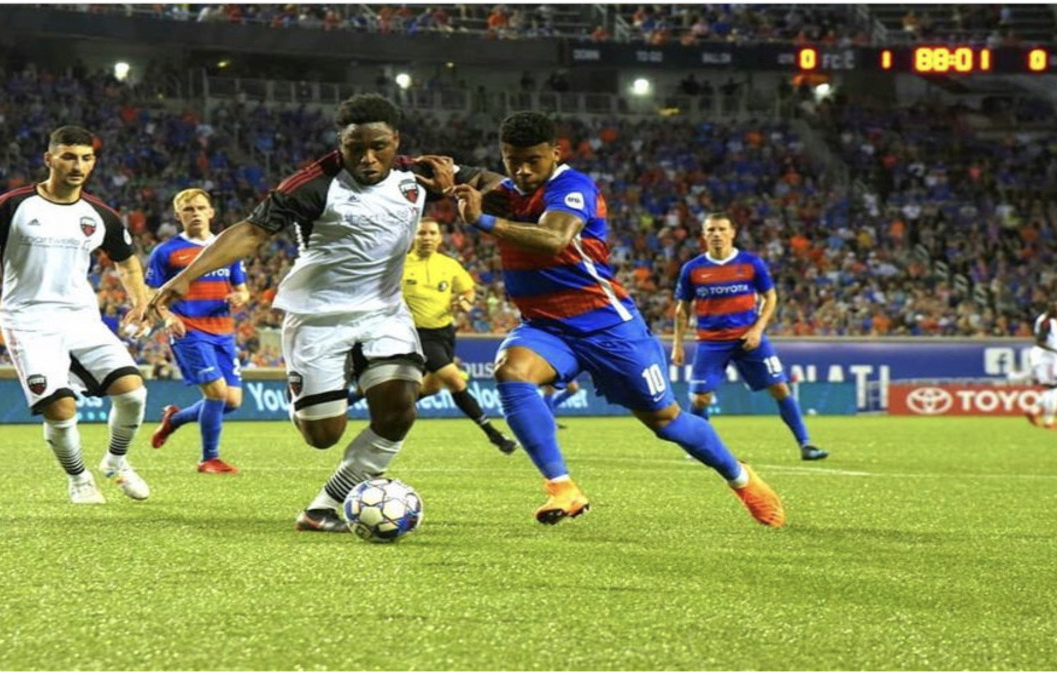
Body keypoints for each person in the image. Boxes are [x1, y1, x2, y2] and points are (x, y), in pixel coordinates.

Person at [149, 93, 497, 532]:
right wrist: (186, 276)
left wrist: (483, 192)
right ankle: (308, 395)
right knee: (323, 435)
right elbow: (252, 231)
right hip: (317, 317)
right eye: (356, 149)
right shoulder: (313, 184)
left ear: (396, 142)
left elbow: (493, 183)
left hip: (383, 313)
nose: (368, 159)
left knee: (400, 409)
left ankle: (322, 508)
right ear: (341, 143)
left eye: (379, 147)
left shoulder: (419, 173)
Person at [450, 112, 785, 527]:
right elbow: (480, 178)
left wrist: (482, 219)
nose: (522, 170)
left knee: (667, 422)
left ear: (555, 154)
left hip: (607, 326)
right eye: (512, 160)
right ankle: (562, 488)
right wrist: (439, 173)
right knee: (511, 371)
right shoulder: (513, 187)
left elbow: (554, 238)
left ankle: (741, 478)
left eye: (533, 160)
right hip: (546, 327)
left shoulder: (573, 187)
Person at [0, 125, 152, 504]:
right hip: (27, 321)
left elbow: (127, 262)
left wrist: (140, 300)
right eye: (68, 156)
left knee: (134, 394)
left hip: (81, 319)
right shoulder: (15, 204)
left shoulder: (100, 215)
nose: (78, 165)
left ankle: (116, 461)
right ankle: (79, 479)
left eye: (86, 158)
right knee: (60, 409)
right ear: (49, 159)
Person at [671, 213, 828, 462]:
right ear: (704, 235)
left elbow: (771, 297)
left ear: (732, 232)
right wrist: (677, 344)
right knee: (701, 397)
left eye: (722, 229)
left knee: (779, 386)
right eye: (711, 230)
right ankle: (699, 448)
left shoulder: (751, 263)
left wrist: (757, 329)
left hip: (749, 339)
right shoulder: (693, 269)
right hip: (711, 342)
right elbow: (682, 309)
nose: (716, 234)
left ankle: (806, 444)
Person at [146, 188, 249, 473]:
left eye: (201, 208)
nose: (195, 214)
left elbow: (243, 290)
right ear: (178, 216)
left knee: (232, 402)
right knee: (216, 393)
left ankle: (174, 420)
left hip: (223, 331)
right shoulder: (165, 252)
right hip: (188, 330)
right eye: (188, 209)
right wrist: (167, 316)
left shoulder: (228, 248)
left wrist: (240, 297)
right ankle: (209, 458)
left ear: (211, 212)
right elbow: (152, 298)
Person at [396, 216, 518, 453]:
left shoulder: (449, 265)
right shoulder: (400, 265)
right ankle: (494, 434)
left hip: (445, 333)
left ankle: (383, 404)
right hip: (417, 334)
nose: (427, 238)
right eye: (422, 233)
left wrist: (466, 302)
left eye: (432, 233)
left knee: (430, 388)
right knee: (455, 380)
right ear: (413, 237)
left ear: (440, 238)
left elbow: (469, 290)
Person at [1024, 300, 1057, 430]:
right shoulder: (1046, 321)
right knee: (1056, 389)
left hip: (1049, 358)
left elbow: (1051, 340)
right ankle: (1048, 421)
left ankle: (1034, 410)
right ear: (1050, 308)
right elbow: (1039, 341)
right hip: (1047, 359)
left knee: (1053, 389)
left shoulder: (1050, 321)